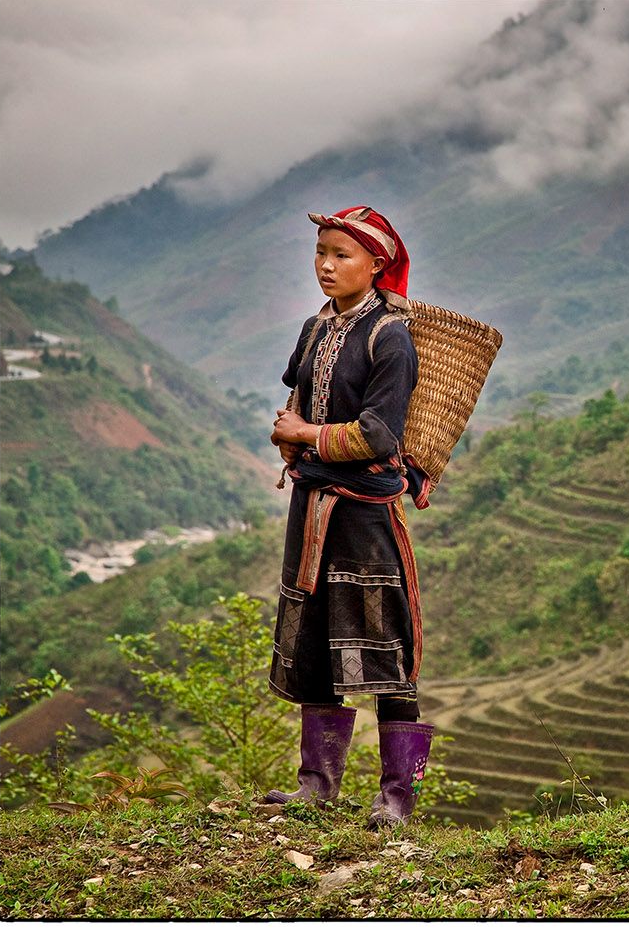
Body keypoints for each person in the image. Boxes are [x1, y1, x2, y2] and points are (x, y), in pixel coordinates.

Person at [265, 205, 432, 829]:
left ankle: (397, 797)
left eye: (342, 255)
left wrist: (306, 433)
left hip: (363, 512)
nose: (326, 265)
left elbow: (380, 435)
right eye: (320, 253)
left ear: (377, 264)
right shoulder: (316, 327)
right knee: (312, 641)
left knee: (384, 648)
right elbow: (298, 393)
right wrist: (291, 434)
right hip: (311, 506)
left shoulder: (390, 335)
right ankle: (318, 786)